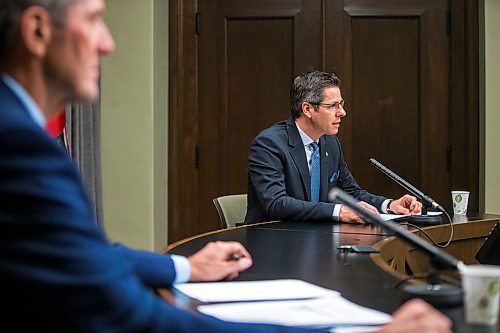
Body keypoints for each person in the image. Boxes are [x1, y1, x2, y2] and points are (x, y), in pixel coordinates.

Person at [0, 0, 451, 331]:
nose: (108, 42)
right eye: (96, 20)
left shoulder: (22, 132)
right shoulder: (20, 144)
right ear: (38, 30)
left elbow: (92, 257)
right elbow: (124, 312)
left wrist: (182, 269)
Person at [245, 71, 422, 225]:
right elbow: (276, 203)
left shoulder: (330, 142)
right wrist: (338, 211)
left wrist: (389, 205)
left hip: (315, 238)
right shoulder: (269, 144)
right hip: (273, 241)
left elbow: (350, 191)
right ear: (307, 109)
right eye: (332, 106)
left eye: (341, 104)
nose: (342, 113)